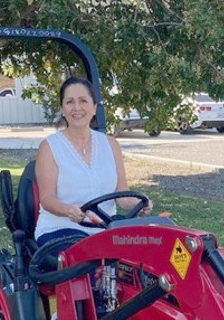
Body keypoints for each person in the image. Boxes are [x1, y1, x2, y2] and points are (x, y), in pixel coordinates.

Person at [34, 76, 152, 246]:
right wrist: (68, 209)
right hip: (61, 229)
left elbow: (122, 194)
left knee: (146, 260)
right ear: (62, 109)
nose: (77, 108)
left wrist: (140, 204)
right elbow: (47, 198)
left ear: (94, 107)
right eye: (70, 102)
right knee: (92, 264)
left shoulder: (111, 145)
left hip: (105, 230)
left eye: (83, 101)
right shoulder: (50, 147)